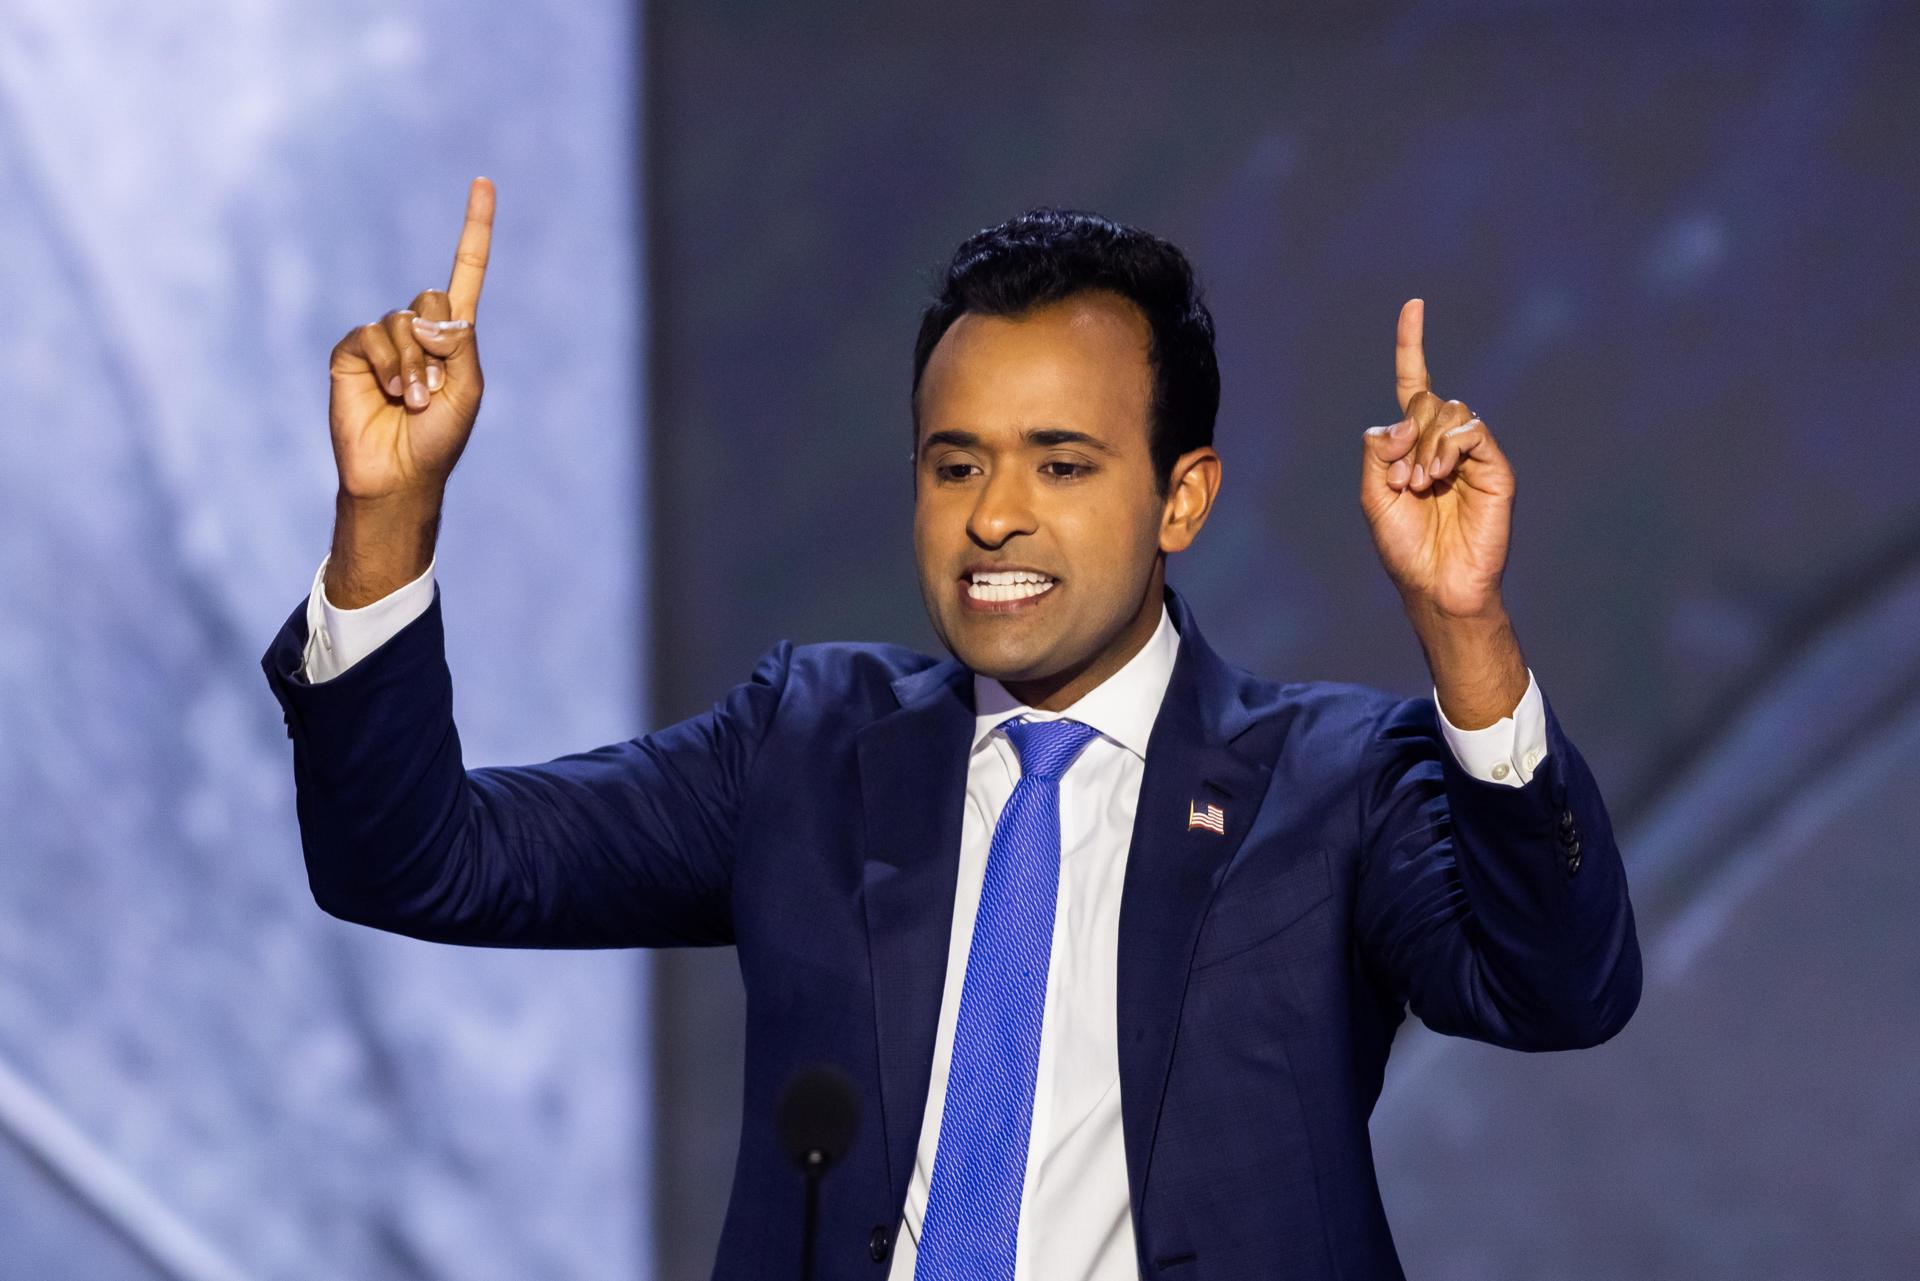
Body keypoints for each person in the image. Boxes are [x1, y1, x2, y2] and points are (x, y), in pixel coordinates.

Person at [261, 177, 1640, 1281]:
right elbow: (415, 858)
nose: (994, 515)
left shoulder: (1331, 780)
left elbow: (1559, 988)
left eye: (1061, 463)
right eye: (957, 462)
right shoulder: (807, 743)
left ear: (1183, 498)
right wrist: (388, 515)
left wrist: (1464, 621)